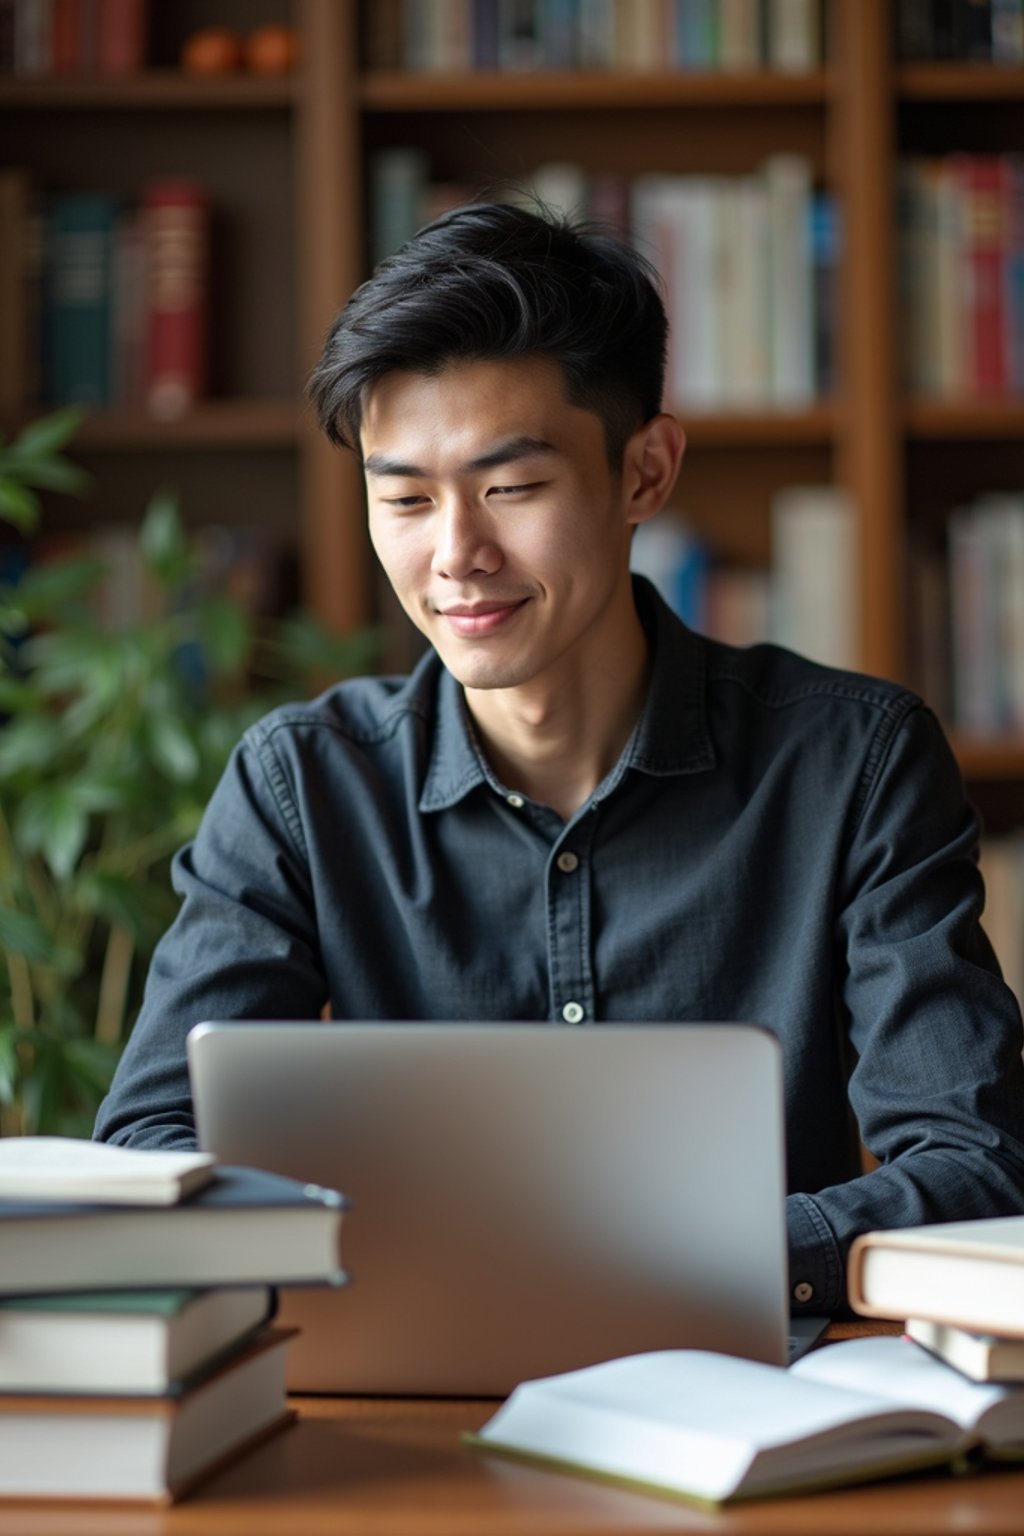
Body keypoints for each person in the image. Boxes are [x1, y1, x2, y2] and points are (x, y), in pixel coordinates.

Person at [94, 200, 1024, 1316]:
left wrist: (630, 1268)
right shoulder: (301, 785)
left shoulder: (853, 763)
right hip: (406, 1405)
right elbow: (154, 1148)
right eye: (404, 498)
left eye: (510, 488)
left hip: (751, 1404)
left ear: (644, 472)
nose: (455, 556)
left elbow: (977, 1167)